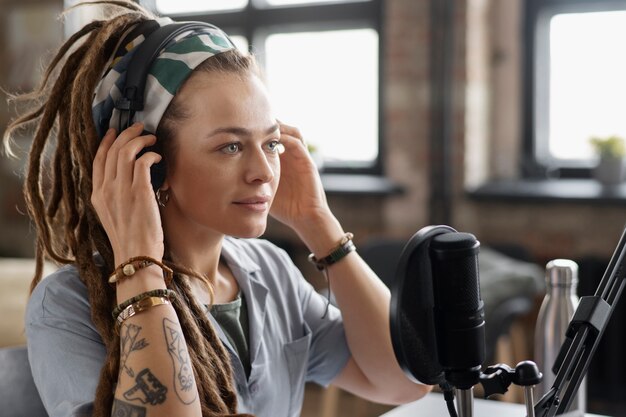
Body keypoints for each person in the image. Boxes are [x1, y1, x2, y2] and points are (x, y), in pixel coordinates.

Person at [4, 1, 431, 416]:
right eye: (230, 146)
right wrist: (139, 267)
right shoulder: (67, 305)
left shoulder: (270, 270)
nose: (263, 171)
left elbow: (403, 382)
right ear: (149, 161)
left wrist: (320, 226)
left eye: (271, 143)